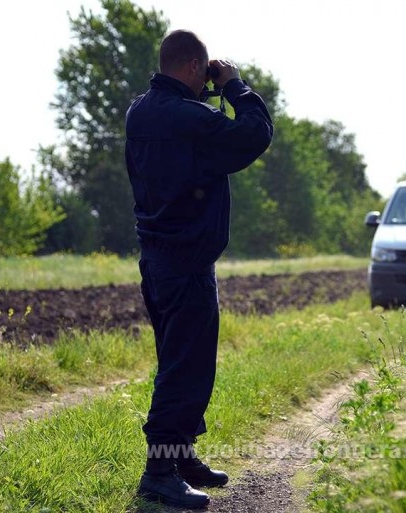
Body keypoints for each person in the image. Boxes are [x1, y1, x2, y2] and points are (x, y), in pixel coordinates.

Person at [124, 29, 273, 509]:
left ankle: (181, 454)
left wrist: (209, 93)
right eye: (204, 71)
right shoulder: (190, 118)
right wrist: (234, 86)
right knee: (184, 369)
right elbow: (252, 135)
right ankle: (159, 472)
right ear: (193, 67)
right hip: (186, 262)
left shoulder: (141, 112)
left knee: (182, 362)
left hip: (157, 257)